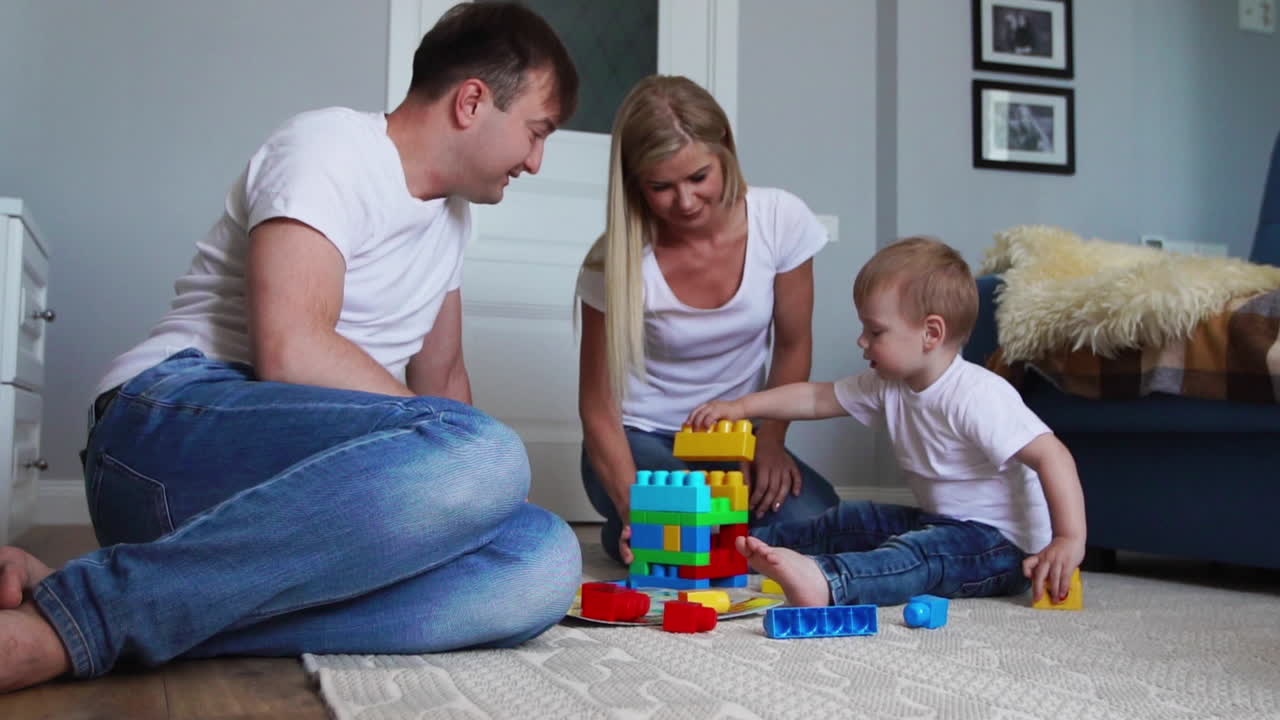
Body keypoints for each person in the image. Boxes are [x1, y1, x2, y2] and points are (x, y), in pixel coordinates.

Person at [0, 2, 580, 693]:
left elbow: (444, 380)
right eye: (536, 133)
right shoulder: (330, 146)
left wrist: (465, 488)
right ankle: (82, 622)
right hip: (164, 437)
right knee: (487, 451)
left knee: (542, 557)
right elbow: (293, 350)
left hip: (292, 516)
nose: (538, 162)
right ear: (472, 102)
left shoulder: (453, 223)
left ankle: (123, 602)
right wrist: (454, 450)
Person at [687, 237, 1086, 607]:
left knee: (918, 556)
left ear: (931, 333)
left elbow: (1052, 456)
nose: (862, 341)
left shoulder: (978, 395)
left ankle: (829, 582)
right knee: (853, 518)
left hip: (1002, 547)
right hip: (940, 523)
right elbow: (815, 397)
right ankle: (729, 549)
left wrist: (1068, 539)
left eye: (875, 331)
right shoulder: (887, 384)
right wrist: (741, 407)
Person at [577, 75, 840, 566]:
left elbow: (792, 345)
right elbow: (597, 407)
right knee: (696, 534)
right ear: (635, 181)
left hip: (732, 434)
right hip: (640, 437)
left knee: (819, 524)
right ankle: (628, 529)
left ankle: (651, 534)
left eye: (698, 178)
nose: (685, 201)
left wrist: (770, 443)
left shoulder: (781, 220)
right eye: (661, 186)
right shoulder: (613, 261)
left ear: (726, 152)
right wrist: (637, 510)